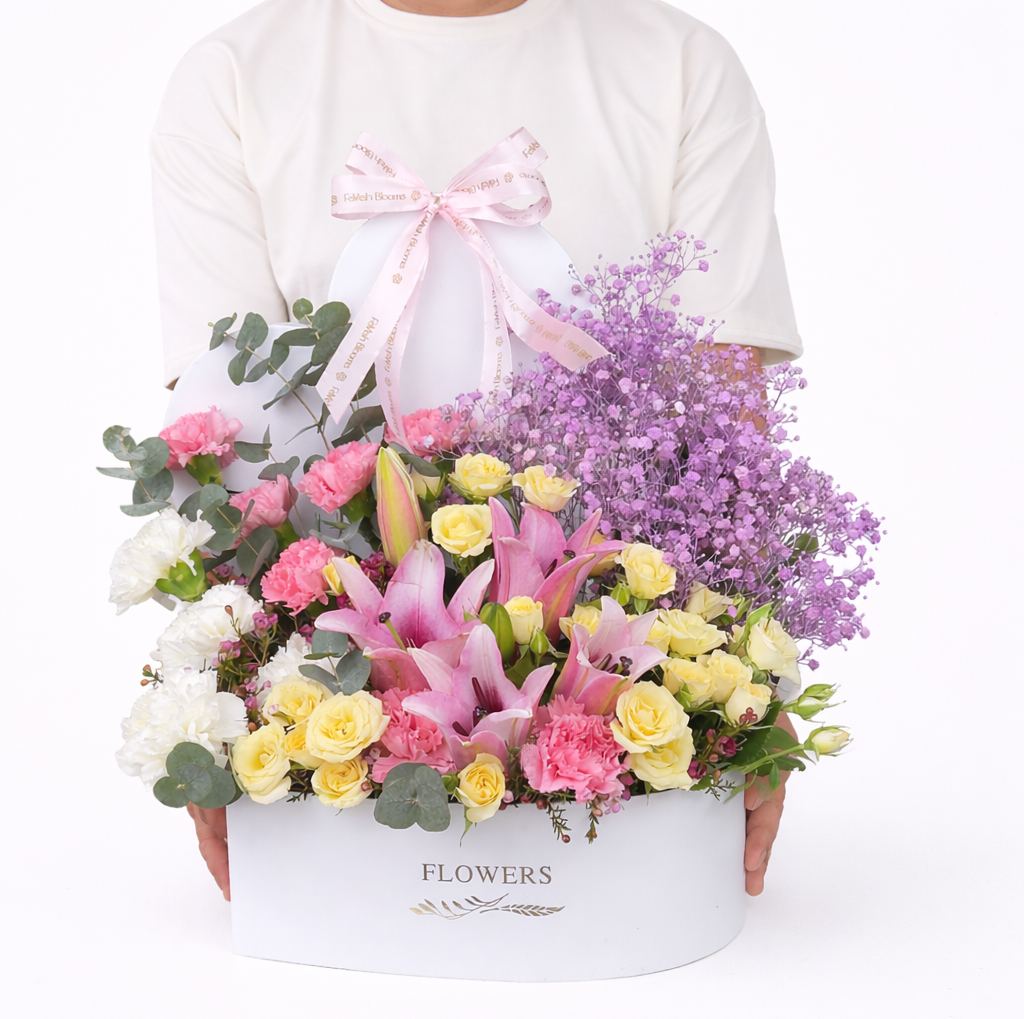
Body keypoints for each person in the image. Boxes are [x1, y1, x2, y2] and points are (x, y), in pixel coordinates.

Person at [156, 0, 803, 900]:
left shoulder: (680, 66)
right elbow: (220, 435)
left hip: (616, 692)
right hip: (336, 737)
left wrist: (749, 708)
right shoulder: (236, 77)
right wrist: (218, 703)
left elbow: (725, 435)